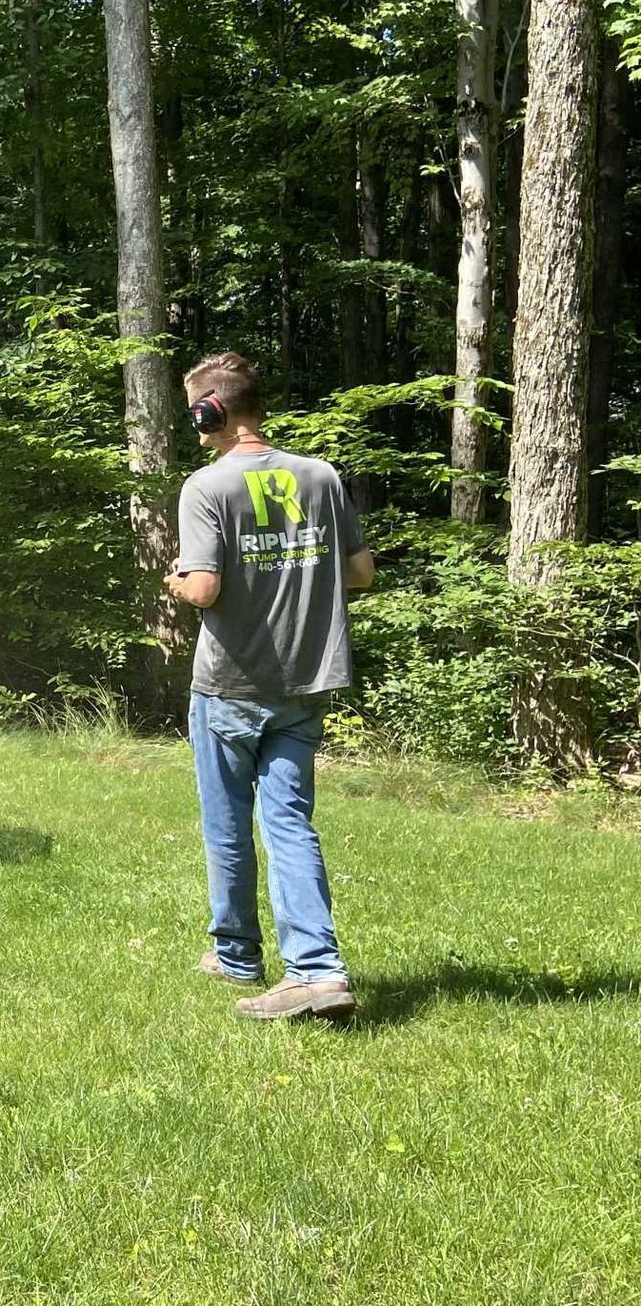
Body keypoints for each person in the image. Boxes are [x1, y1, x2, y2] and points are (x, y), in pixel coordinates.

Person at [163, 352, 376, 1022]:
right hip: (306, 682)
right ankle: (314, 966)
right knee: (288, 820)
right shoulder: (320, 476)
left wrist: (173, 581)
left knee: (227, 824)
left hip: (231, 684)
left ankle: (240, 953)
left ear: (209, 412)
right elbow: (362, 573)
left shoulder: (207, 486)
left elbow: (203, 588)